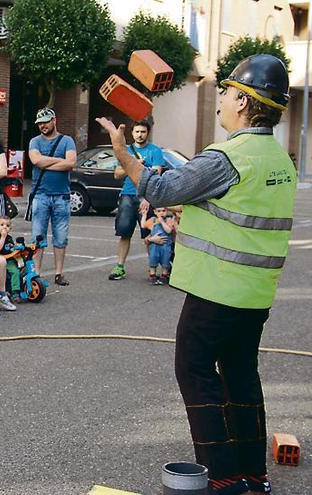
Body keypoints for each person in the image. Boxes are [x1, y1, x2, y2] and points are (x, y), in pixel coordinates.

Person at [96, 54, 296, 495]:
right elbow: (234, 208)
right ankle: (252, 474)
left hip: (217, 289)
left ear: (244, 103)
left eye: (226, 92)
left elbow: (161, 188)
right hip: (255, 293)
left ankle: (222, 475)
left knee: (195, 368)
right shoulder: (278, 159)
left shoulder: (228, 156)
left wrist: (123, 152)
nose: (221, 98)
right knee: (241, 372)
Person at [108, 120, 166, 281]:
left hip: (147, 196)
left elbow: (156, 173)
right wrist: (131, 165)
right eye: (137, 132)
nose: (140, 135)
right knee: (124, 232)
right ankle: (120, 266)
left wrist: (147, 197)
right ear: (132, 133)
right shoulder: (125, 151)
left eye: (143, 132)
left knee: (150, 234)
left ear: (148, 133)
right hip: (127, 195)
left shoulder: (155, 151)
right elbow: (117, 174)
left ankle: (153, 269)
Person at [27, 107, 76, 287]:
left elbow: (71, 163)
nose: (42, 126)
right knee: (38, 236)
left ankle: (58, 273)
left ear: (54, 120)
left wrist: (46, 162)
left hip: (62, 196)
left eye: (45, 122)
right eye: (40, 123)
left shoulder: (67, 140)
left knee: (61, 237)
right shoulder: (35, 141)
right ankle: (37, 273)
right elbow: (36, 161)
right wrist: (59, 162)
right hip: (40, 194)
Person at [0, 216, 23, 301]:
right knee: (14, 271)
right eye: (2, 225)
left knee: (20, 268)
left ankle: (18, 287)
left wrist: (16, 246)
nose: (5, 227)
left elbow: (11, 247)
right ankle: (15, 291)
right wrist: (3, 237)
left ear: (10, 229)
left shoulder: (9, 238)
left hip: (10, 259)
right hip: (0, 260)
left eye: (7, 226)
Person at [141, 205, 175, 285]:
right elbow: (143, 225)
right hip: (154, 246)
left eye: (163, 211)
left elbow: (169, 230)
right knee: (153, 259)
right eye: (159, 211)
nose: (161, 213)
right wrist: (144, 215)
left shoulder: (168, 220)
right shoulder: (153, 220)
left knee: (165, 261)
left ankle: (164, 275)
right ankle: (153, 275)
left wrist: (162, 222)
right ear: (155, 212)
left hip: (165, 245)